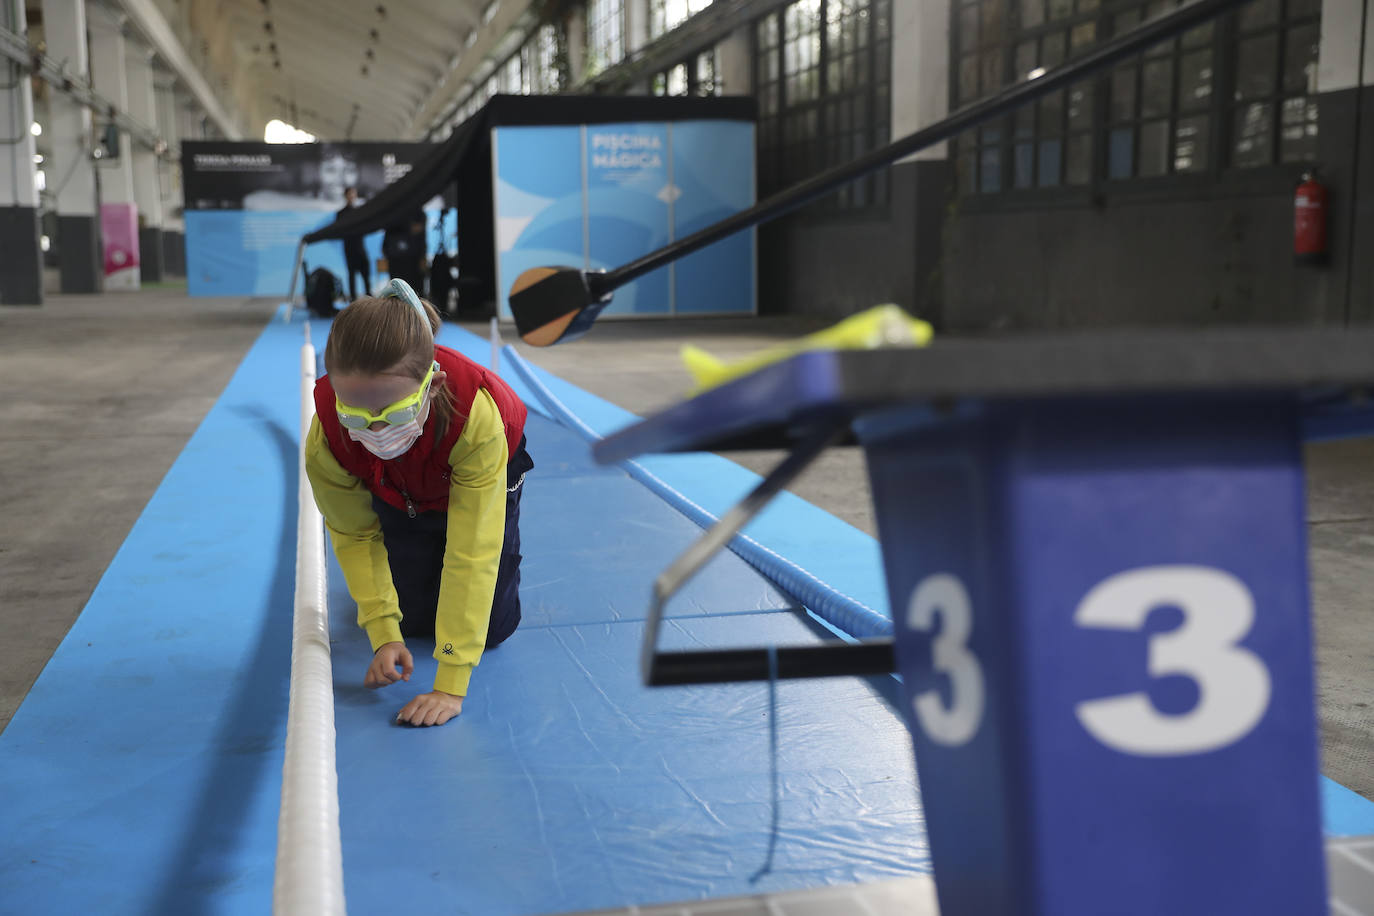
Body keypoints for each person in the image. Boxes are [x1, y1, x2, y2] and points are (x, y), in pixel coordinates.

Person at [304, 278, 534, 727]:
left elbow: (471, 550)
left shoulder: (476, 418)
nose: (375, 432)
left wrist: (451, 680)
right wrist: (383, 632)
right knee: (409, 623)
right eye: (355, 413)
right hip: (399, 489)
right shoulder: (327, 440)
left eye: (394, 414)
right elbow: (353, 534)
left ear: (432, 385)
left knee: (489, 631)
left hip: (472, 474)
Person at [382, 211, 429, 296]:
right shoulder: (391, 214)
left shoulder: (418, 213)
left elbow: (420, 233)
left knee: (417, 292)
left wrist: (422, 257)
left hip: (413, 263)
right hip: (396, 263)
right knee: (397, 293)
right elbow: (386, 245)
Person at [337, 186, 371, 301]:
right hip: (349, 248)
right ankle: (353, 299)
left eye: (353, 194)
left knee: (365, 275)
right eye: (349, 194)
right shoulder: (341, 214)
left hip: (360, 247)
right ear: (345, 196)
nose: (351, 196)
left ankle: (369, 299)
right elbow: (340, 230)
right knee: (351, 275)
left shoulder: (360, 211)